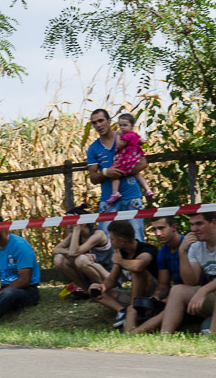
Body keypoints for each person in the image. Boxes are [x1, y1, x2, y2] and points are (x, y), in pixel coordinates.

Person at [86, 109, 146, 241]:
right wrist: (106, 172)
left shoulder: (127, 136)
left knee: (137, 239)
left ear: (109, 121)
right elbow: (93, 178)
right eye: (94, 123)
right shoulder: (93, 149)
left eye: (101, 120)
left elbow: (143, 163)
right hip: (108, 200)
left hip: (132, 197)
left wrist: (121, 171)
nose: (98, 125)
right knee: (105, 240)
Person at [89, 219, 158, 330]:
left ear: (121, 241)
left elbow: (138, 266)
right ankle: (122, 311)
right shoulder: (121, 253)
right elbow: (112, 279)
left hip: (153, 293)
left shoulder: (146, 249)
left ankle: (134, 309)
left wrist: (120, 261)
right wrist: (101, 288)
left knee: (136, 270)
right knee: (94, 288)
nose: (111, 242)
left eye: (112, 239)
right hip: (134, 294)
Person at [130, 215, 186, 334]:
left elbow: (196, 281)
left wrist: (169, 299)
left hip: (192, 292)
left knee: (170, 306)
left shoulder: (189, 245)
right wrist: (155, 298)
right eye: (154, 229)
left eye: (161, 228)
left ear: (174, 227)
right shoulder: (163, 252)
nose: (158, 233)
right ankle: (128, 332)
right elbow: (163, 285)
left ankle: (134, 334)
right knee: (135, 306)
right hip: (175, 293)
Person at [52, 204, 113, 294]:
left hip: (106, 274)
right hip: (89, 273)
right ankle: (86, 289)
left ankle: (102, 290)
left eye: (71, 222)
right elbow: (56, 250)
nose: (68, 226)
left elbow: (73, 253)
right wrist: (82, 253)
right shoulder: (75, 234)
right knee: (58, 259)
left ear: (83, 222)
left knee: (81, 260)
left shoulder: (98, 235)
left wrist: (77, 228)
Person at [105, 113, 155, 205]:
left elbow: (120, 145)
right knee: (137, 175)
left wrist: (118, 136)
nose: (122, 127)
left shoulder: (126, 136)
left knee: (115, 175)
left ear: (131, 126)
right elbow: (142, 141)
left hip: (126, 159)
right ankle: (148, 190)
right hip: (135, 159)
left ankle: (115, 193)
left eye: (125, 125)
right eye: (120, 125)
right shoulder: (134, 135)